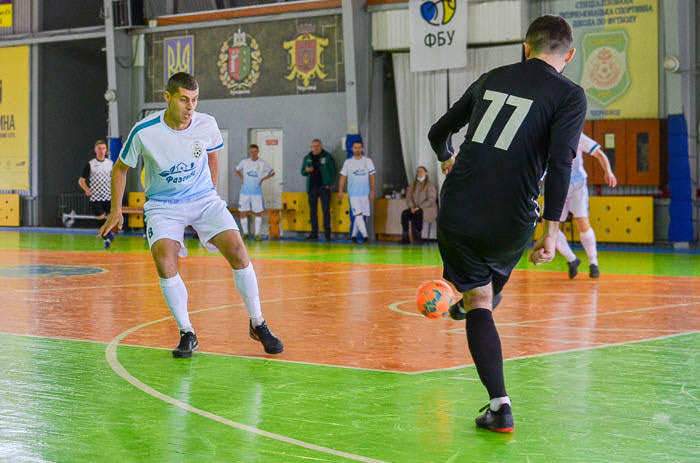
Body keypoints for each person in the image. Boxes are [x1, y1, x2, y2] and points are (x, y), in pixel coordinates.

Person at [428, 15, 586, 432]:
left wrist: (447, 157)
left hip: (459, 207)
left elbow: (438, 131)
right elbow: (561, 161)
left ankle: (500, 403)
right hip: (512, 217)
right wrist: (551, 232)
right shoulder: (570, 95)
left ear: (525, 46)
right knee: (485, 294)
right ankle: (478, 292)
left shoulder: (491, 77)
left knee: (477, 301)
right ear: (568, 55)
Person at [99, 72, 283, 358]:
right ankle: (187, 331)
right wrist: (115, 209)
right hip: (163, 205)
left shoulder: (206, 124)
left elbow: (212, 154)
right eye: (184, 99)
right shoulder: (144, 130)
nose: (190, 107)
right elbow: (121, 167)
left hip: (203, 199)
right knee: (164, 258)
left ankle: (258, 323)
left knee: (237, 249)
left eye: (195, 100)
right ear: (168, 97)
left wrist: (210, 189)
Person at [555, 133, 617, 279]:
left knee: (582, 223)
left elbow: (600, 154)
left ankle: (593, 262)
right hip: (557, 185)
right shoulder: (545, 136)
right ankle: (572, 259)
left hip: (577, 185)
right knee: (549, 226)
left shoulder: (576, 135)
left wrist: (608, 172)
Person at [79, 139, 115, 249]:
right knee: (100, 217)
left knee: (110, 218)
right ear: (95, 150)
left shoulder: (110, 164)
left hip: (108, 195)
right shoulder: (91, 164)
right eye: (99, 148)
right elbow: (81, 180)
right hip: (95, 197)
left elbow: (115, 179)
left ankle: (107, 235)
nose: (101, 151)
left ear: (106, 150)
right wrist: (86, 189)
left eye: (103, 148)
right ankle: (107, 238)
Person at [235, 144, 275, 241]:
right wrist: (242, 178)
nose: (253, 153)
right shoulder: (244, 162)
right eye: (251, 151)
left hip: (256, 192)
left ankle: (257, 234)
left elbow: (272, 172)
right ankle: (245, 233)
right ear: (249, 152)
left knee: (258, 212)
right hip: (245, 192)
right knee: (243, 212)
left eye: (255, 151)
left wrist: (262, 180)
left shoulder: (262, 163)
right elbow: (236, 170)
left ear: (258, 152)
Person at [338, 140, 375, 244]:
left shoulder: (368, 161)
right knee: (358, 215)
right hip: (353, 193)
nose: (357, 149)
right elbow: (343, 177)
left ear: (362, 149)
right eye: (355, 147)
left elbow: (372, 177)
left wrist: (372, 190)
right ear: (352, 149)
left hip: (365, 193)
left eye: (359, 147)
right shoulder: (348, 162)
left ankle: (353, 236)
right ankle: (365, 236)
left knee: (360, 215)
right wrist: (340, 190)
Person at [300, 139, 337, 241]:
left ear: (321, 146)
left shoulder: (327, 157)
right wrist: (306, 171)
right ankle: (314, 233)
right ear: (311, 147)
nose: (316, 147)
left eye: (318, 146)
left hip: (324, 188)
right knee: (313, 211)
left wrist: (329, 184)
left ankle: (327, 234)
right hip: (312, 188)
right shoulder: (307, 157)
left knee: (326, 210)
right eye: (314, 146)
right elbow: (302, 172)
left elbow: (333, 171)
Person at [400, 166, 437, 244]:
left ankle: (418, 237)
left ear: (426, 173)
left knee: (418, 213)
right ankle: (405, 236)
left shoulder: (430, 185)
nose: (419, 173)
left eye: (421, 171)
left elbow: (431, 200)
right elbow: (408, 198)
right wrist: (411, 207)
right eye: (418, 171)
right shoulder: (413, 185)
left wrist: (419, 207)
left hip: (427, 209)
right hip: (414, 208)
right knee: (405, 213)